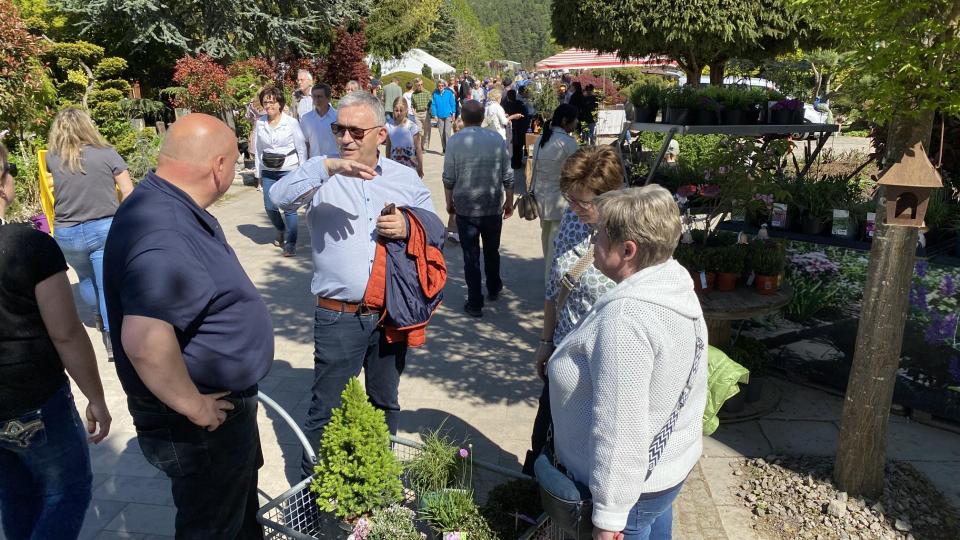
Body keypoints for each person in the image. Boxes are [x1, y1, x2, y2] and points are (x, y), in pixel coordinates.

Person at [103, 114, 274, 538]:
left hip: (215, 413)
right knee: (213, 525)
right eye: (235, 163)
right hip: (203, 423)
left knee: (234, 518)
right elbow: (143, 340)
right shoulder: (166, 229)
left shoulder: (163, 204)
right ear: (218, 166)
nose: (234, 172)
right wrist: (193, 405)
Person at [267, 91, 440, 477]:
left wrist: (408, 225)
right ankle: (313, 499)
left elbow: (435, 227)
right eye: (338, 129)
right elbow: (277, 198)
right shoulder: (321, 173)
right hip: (337, 317)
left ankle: (377, 484)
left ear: (380, 135)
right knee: (325, 412)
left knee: (384, 403)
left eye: (356, 131)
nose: (345, 138)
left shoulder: (403, 177)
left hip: (389, 313)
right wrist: (325, 168)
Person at [547, 185, 707, 540]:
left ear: (627, 250)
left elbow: (620, 427)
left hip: (631, 493)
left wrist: (608, 519)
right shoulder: (673, 283)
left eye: (599, 235)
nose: (592, 244)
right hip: (662, 473)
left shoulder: (626, 321)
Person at [0, 142, 112, 540]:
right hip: (33, 397)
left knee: (15, 495)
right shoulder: (29, 245)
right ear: (3, 184)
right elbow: (65, 331)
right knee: (67, 492)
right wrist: (96, 397)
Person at [521, 146, 623, 475]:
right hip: (563, 353)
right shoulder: (572, 218)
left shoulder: (630, 235)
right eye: (570, 198)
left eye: (584, 202)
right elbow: (556, 284)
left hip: (602, 366)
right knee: (545, 440)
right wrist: (545, 341)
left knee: (587, 456)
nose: (574, 207)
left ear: (611, 195)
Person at [46, 107, 135, 361]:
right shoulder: (107, 154)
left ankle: (99, 316)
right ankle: (111, 337)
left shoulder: (53, 158)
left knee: (85, 279)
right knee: (106, 283)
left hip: (66, 232)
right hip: (103, 228)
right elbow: (128, 190)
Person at [442, 100, 514, 318]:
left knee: (470, 256)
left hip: (465, 207)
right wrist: (509, 200)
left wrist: (449, 202)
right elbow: (508, 175)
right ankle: (493, 287)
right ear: (483, 117)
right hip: (492, 204)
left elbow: (448, 177)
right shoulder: (496, 140)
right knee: (492, 250)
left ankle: (475, 302)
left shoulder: (454, 141)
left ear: (462, 118)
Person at [254, 85, 307, 257]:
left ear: (280, 104)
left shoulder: (291, 122)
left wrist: (302, 172)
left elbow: (301, 148)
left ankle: (290, 243)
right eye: (265, 102)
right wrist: (258, 174)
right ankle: (280, 229)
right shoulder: (260, 122)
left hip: (289, 169)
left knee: (289, 208)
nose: (268, 106)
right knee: (270, 207)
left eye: (272, 102)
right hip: (268, 169)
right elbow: (258, 149)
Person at [532, 103, 580, 281]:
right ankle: (551, 287)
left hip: (542, 199)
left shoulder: (541, 139)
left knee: (548, 246)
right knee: (557, 250)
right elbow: (577, 173)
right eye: (575, 120)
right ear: (566, 121)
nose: (576, 124)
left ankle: (550, 284)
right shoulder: (568, 143)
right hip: (561, 204)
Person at [385, 97, 424, 178]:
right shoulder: (388, 125)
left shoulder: (412, 126)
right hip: (395, 166)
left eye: (401, 110)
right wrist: (388, 162)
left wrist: (420, 166)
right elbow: (388, 146)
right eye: (396, 110)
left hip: (410, 166)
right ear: (393, 110)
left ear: (406, 110)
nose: (398, 113)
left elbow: (418, 148)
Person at [300, 83, 338, 159]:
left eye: (320, 96)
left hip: (335, 161)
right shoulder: (306, 118)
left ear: (328, 98)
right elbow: (305, 143)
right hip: (315, 163)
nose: (316, 99)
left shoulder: (338, 117)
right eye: (314, 96)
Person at [502, 89, 531, 187]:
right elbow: (526, 115)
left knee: (513, 146)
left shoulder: (505, 105)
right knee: (517, 146)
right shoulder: (519, 104)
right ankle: (517, 162)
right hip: (518, 128)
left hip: (512, 128)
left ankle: (514, 162)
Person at [431, 79, 457, 153]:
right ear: (437, 86)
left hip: (448, 115)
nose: (440, 87)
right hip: (439, 116)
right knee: (441, 133)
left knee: (447, 132)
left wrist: (453, 113)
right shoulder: (435, 94)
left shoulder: (449, 93)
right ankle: (444, 148)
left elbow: (452, 103)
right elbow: (433, 105)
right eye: (439, 86)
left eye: (442, 85)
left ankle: (448, 149)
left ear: (444, 86)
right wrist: (434, 115)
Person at [410, 78, 432, 150]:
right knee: (419, 131)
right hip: (417, 114)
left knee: (426, 131)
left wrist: (430, 111)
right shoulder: (413, 94)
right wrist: (414, 113)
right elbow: (412, 105)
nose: (420, 86)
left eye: (421, 84)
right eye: (418, 85)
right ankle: (418, 146)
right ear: (415, 86)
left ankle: (424, 147)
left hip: (426, 113)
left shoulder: (427, 93)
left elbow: (432, 103)